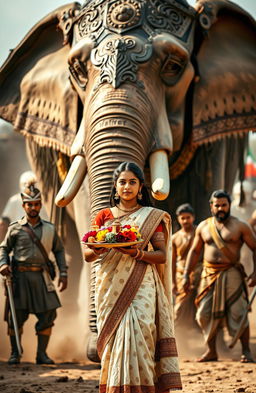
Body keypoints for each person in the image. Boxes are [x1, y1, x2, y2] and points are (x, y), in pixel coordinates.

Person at [84, 162, 182, 392]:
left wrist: (137, 252)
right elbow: (88, 254)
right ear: (115, 187)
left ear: (140, 188)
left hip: (142, 284)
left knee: (142, 334)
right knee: (115, 340)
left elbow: (161, 256)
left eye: (132, 182)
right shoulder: (104, 216)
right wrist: (100, 247)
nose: (127, 187)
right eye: (122, 182)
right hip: (109, 286)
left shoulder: (151, 216)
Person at [183, 189, 256, 363]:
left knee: (239, 313)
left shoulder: (240, 226)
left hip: (232, 274)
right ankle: (211, 351)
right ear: (211, 207)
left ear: (229, 205)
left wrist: (255, 272)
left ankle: (246, 351)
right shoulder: (203, 226)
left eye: (224, 205)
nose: (221, 208)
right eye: (217, 206)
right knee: (203, 314)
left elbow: (255, 248)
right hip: (208, 275)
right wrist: (186, 274)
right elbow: (194, 251)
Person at [0, 181, 68, 365]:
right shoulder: (15, 228)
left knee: (48, 313)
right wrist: (3, 264)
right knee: (16, 316)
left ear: (40, 205)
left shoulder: (49, 228)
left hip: (41, 277)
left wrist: (63, 273)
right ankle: (15, 354)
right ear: (23, 206)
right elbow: (4, 249)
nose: (33, 207)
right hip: (19, 278)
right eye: (29, 204)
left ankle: (42, 355)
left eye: (36, 203)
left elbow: (59, 251)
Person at [172, 203, 201, 331]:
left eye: (188, 217)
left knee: (203, 306)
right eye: (182, 218)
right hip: (180, 276)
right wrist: (173, 282)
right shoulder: (174, 238)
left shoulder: (200, 232)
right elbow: (172, 262)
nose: (185, 221)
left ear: (193, 217)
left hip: (200, 273)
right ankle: (178, 337)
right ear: (178, 219)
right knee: (179, 308)